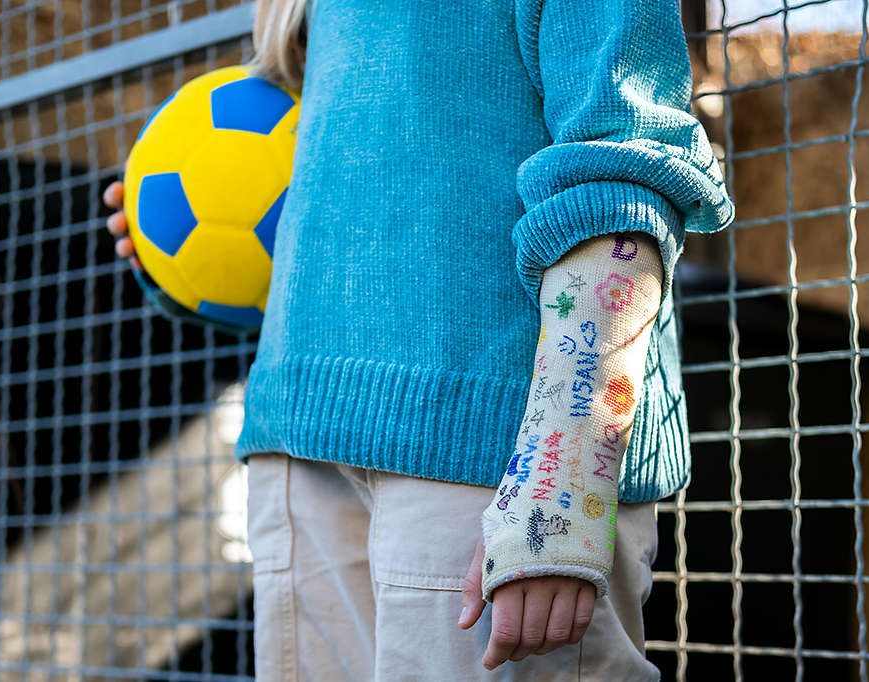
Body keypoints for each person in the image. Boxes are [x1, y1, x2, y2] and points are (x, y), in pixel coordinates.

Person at [104, 0, 734, 678]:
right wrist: (188, 268)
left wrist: (559, 494)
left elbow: (624, 163)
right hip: (298, 449)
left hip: (496, 454)